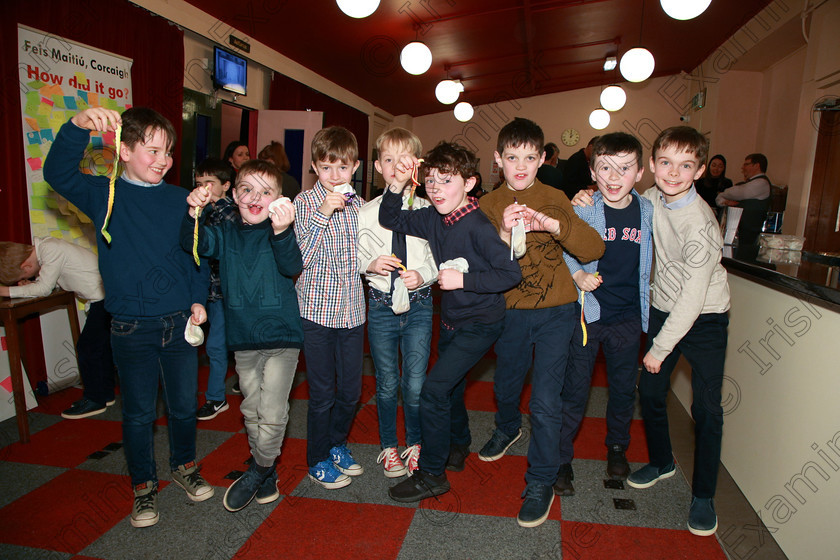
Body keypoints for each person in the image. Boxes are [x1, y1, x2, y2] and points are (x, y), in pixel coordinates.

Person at [43, 107, 213, 528]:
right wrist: (77, 127)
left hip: (179, 324)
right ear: (124, 150)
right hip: (130, 327)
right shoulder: (104, 194)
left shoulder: (179, 198)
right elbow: (57, 173)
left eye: (169, 151)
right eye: (153, 150)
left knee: (183, 408)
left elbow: (197, 256)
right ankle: (143, 487)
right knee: (138, 413)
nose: (164, 159)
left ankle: (185, 465)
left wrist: (197, 298)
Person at [575, 126, 730, 537]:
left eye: (685, 166)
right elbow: (617, 196)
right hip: (662, 307)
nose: (673, 173)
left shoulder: (701, 224)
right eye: (666, 163)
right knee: (653, 394)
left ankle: (703, 496)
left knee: (707, 409)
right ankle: (662, 461)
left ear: (699, 171)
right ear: (653, 167)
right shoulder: (652, 200)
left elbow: (694, 297)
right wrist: (584, 194)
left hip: (705, 316)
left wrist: (659, 349)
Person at [477, 118, 605, 528]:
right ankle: (508, 425)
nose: (520, 166)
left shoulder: (555, 197)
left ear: (542, 158)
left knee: (547, 402)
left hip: (556, 312)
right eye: (511, 157)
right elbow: (478, 264)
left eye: (530, 158)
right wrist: (500, 233)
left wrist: (553, 225)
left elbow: (593, 247)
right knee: (506, 385)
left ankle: (541, 481)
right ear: (498, 159)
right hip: (510, 312)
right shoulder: (487, 204)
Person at [382, 141, 522, 503]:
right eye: (430, 181)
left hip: (481, 323)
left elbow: (509, 273)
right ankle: (458, 443)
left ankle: (431, 474)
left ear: (470, 184)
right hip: (453, 322)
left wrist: (464, 281)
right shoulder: (433, 216)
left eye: (446, 181)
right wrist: (397, 184)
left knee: (433, 391)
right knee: (452, 388)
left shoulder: (476, 226)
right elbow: (390, 218)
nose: (436, 189)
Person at [182, 159, 303, 512]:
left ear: (279, 199)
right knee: (251, 407)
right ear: (234, 195)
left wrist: (282, 231)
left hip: (283, 337)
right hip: (244, 337)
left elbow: (291, 266)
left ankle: (259, 469)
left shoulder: (280, 231)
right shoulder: (225, 232)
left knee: (273, 409)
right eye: (247, 189)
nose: (256, 197)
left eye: (266, 192)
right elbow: (196, 245)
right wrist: (195, 214)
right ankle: (267, 473)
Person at [555, 132, 653, 499]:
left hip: (628, 316)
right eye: (605, 168)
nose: (614, 177)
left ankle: (617, 448)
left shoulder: (648, 212)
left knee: (624, 389)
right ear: (593, 171)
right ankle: (562, 459)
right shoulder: (583, 208)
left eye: (625, 168)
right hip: (588, 315)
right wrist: (576, 273)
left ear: (640, 172)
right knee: (575, 389)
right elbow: (560, 246)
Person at [357, 128, 437, 477]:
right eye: (387, 160)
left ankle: (415, 443)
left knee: (416, 383)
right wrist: (369, 265)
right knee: (387, 382)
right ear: (377, 166)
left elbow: (440, 258)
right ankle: (388, 446)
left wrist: (424, 274)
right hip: (380, 306)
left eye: (402, 160)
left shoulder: (428, 210)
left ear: (415, 165)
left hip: (419, 306)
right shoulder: (366, 211)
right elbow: (354, 255)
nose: (394, 166)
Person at [294, 126, 366, 489]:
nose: (334, 176)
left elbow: (364, 254)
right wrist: (323, 211)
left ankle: (337, 443)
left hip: (353, 311)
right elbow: (299, 257)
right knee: (321, 393)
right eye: (326, 168)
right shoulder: (304, 203)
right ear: (313, 167)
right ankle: (316, 457)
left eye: (342, 168)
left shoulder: (359, 205)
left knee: (351, 391)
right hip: (317, 312)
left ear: (355, 166)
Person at [0, 239, 114, 419]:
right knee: (99, 349)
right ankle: (104, 394)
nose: (26, 278)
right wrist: (31, 285)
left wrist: (5, 291)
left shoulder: (49, 250)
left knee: (87, 349)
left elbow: (44, 288)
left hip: (104, 298)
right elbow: (53, 282)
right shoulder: (48, 248)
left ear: (26, 266)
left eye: (23, 276)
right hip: (103, 296)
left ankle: (95, 399)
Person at [193, 158, 239, 421]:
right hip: (212, 290)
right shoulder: (203, 211)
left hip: (224, 291)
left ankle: (215, 398)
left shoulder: (227, 214)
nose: (204, 188)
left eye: (210, 183)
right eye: (199, 183)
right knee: (223, 345)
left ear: (225, 185)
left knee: (217, 346)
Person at [716, 153, 771, 246]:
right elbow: (719, 198)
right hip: (737, 233)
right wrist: (725, 201)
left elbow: (740, 193)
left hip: (750, 234)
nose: (742, 167)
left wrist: (725, 195)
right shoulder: (747, 184)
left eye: (746, 164)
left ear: (757, 165)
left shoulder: (762, 183)